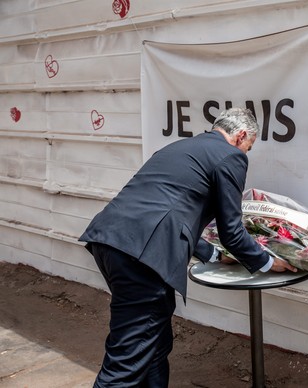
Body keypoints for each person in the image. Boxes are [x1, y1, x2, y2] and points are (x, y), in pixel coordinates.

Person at [79, 107, 296, 387]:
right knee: (126, 361)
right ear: (241, 136)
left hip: (110, 241)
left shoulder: (179, 148)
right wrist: (268, 262)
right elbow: (232, 231)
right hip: (144, 257)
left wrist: (216, 255)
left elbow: (172, 212)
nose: (246, 153)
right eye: (249, 147)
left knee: (154, 343)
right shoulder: (230, 156)